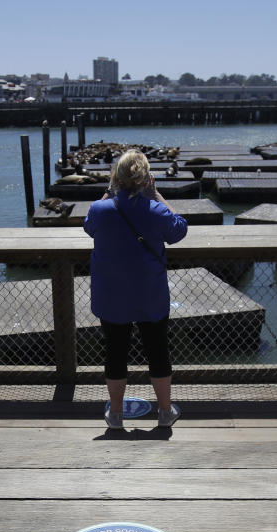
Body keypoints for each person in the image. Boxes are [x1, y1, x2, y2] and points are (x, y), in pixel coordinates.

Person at [83, 149, 188, 430]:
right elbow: (179, 231)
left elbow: (88, 227)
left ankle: (115, 415)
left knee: (115, 352)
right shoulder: (155, 210)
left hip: (112, 294)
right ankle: (165, 412)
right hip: (149, 293)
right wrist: (156, 195)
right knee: (158, 351)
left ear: (116, 178)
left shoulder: (100, 209)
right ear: (146, 178)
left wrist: (109, 191)